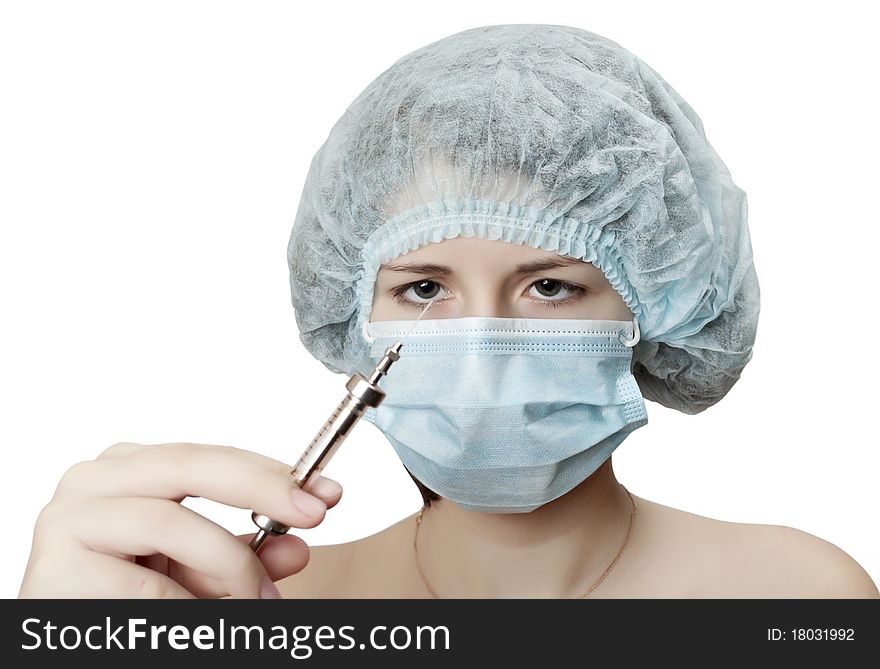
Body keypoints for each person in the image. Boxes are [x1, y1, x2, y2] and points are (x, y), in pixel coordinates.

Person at [18, 24, 879, 599]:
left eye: (551, 285)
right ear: (354, 315)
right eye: (424, 289)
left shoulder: (797, 597)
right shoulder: (263, 611)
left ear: (657, 308)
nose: (481, 349)